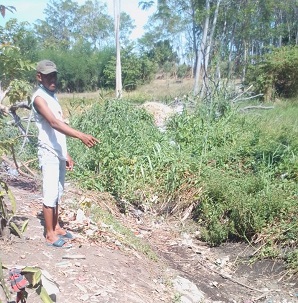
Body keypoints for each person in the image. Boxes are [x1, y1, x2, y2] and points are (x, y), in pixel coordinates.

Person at [31, 59, 99, 248]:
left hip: (58, 152)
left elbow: (58, 129)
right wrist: (80, 135)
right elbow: (53, 123)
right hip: (48, 151)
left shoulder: (52, 96)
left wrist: (66, 154)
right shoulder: (39, 98)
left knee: (58, 191)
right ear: (39, 77)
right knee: (50, 192)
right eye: (47, 76)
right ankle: (49, 233)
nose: (52, 79)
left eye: (54, 75)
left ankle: (57, 226)